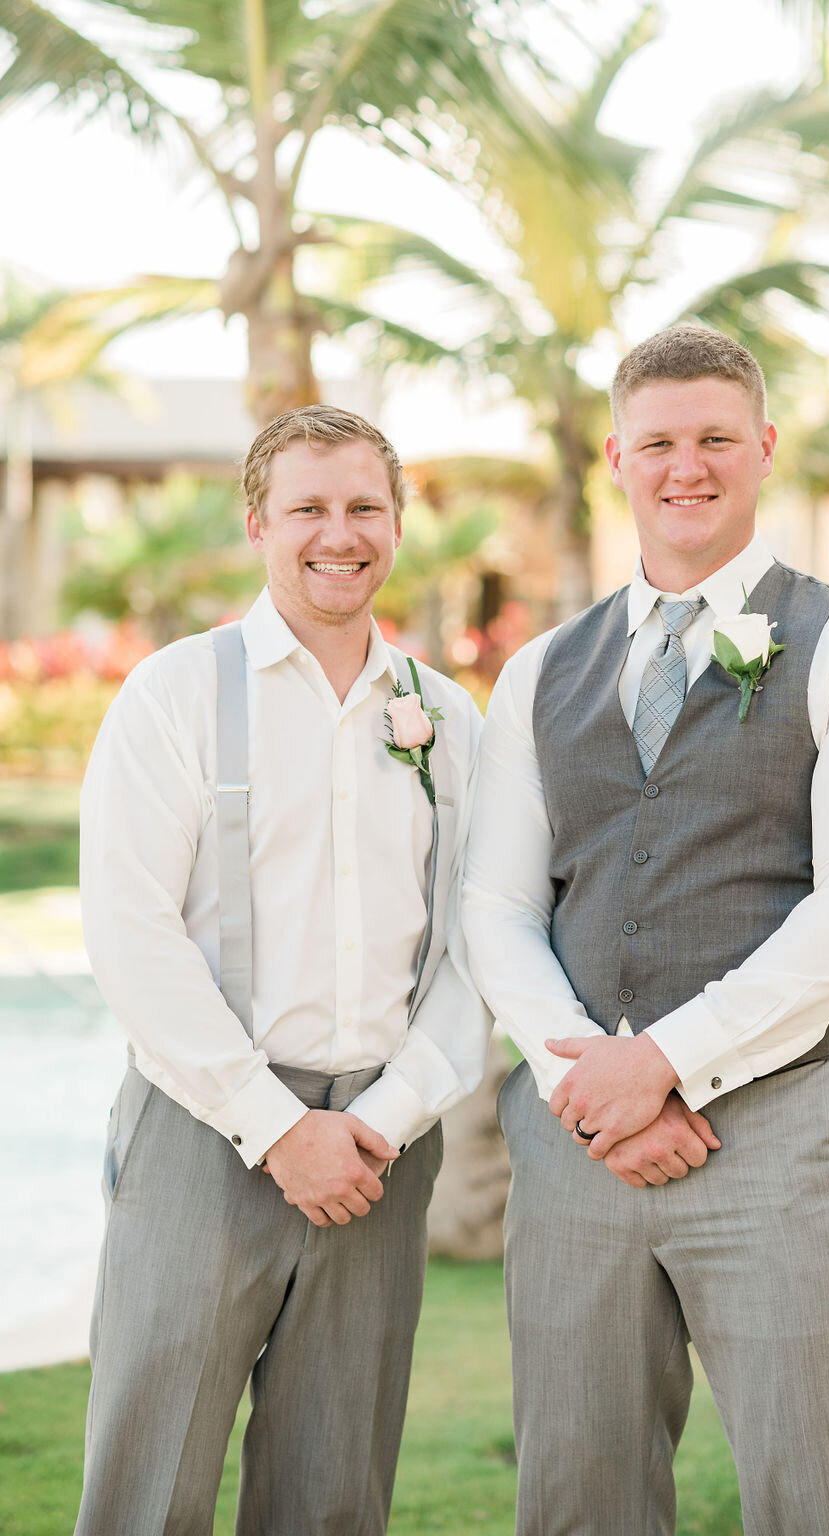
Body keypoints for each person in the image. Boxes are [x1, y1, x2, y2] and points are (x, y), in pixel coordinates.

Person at [464, 325, 829, 1536]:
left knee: (820, 1496)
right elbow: (501, 905)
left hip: (783, 1138)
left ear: (764, 450)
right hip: (579, 1150)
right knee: (576, 1502)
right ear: (616, 461)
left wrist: (662, 1064)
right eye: (660, 442)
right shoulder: (537, 672)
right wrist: (587, 1077)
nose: (689, 466)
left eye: (716, 438)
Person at [75, 405, 489, 1536]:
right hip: (203, 1129)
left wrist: (389, 1117)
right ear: (259, 522)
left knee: (332, 1495)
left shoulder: (446, 719)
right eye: (308, 507)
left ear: (397, 525)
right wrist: (273, 1123)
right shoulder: (174, 694)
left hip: (379, 1154)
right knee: (146, 1488)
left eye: (364, 507)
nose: (337, 533)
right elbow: (130, 932)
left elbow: (476, 943)